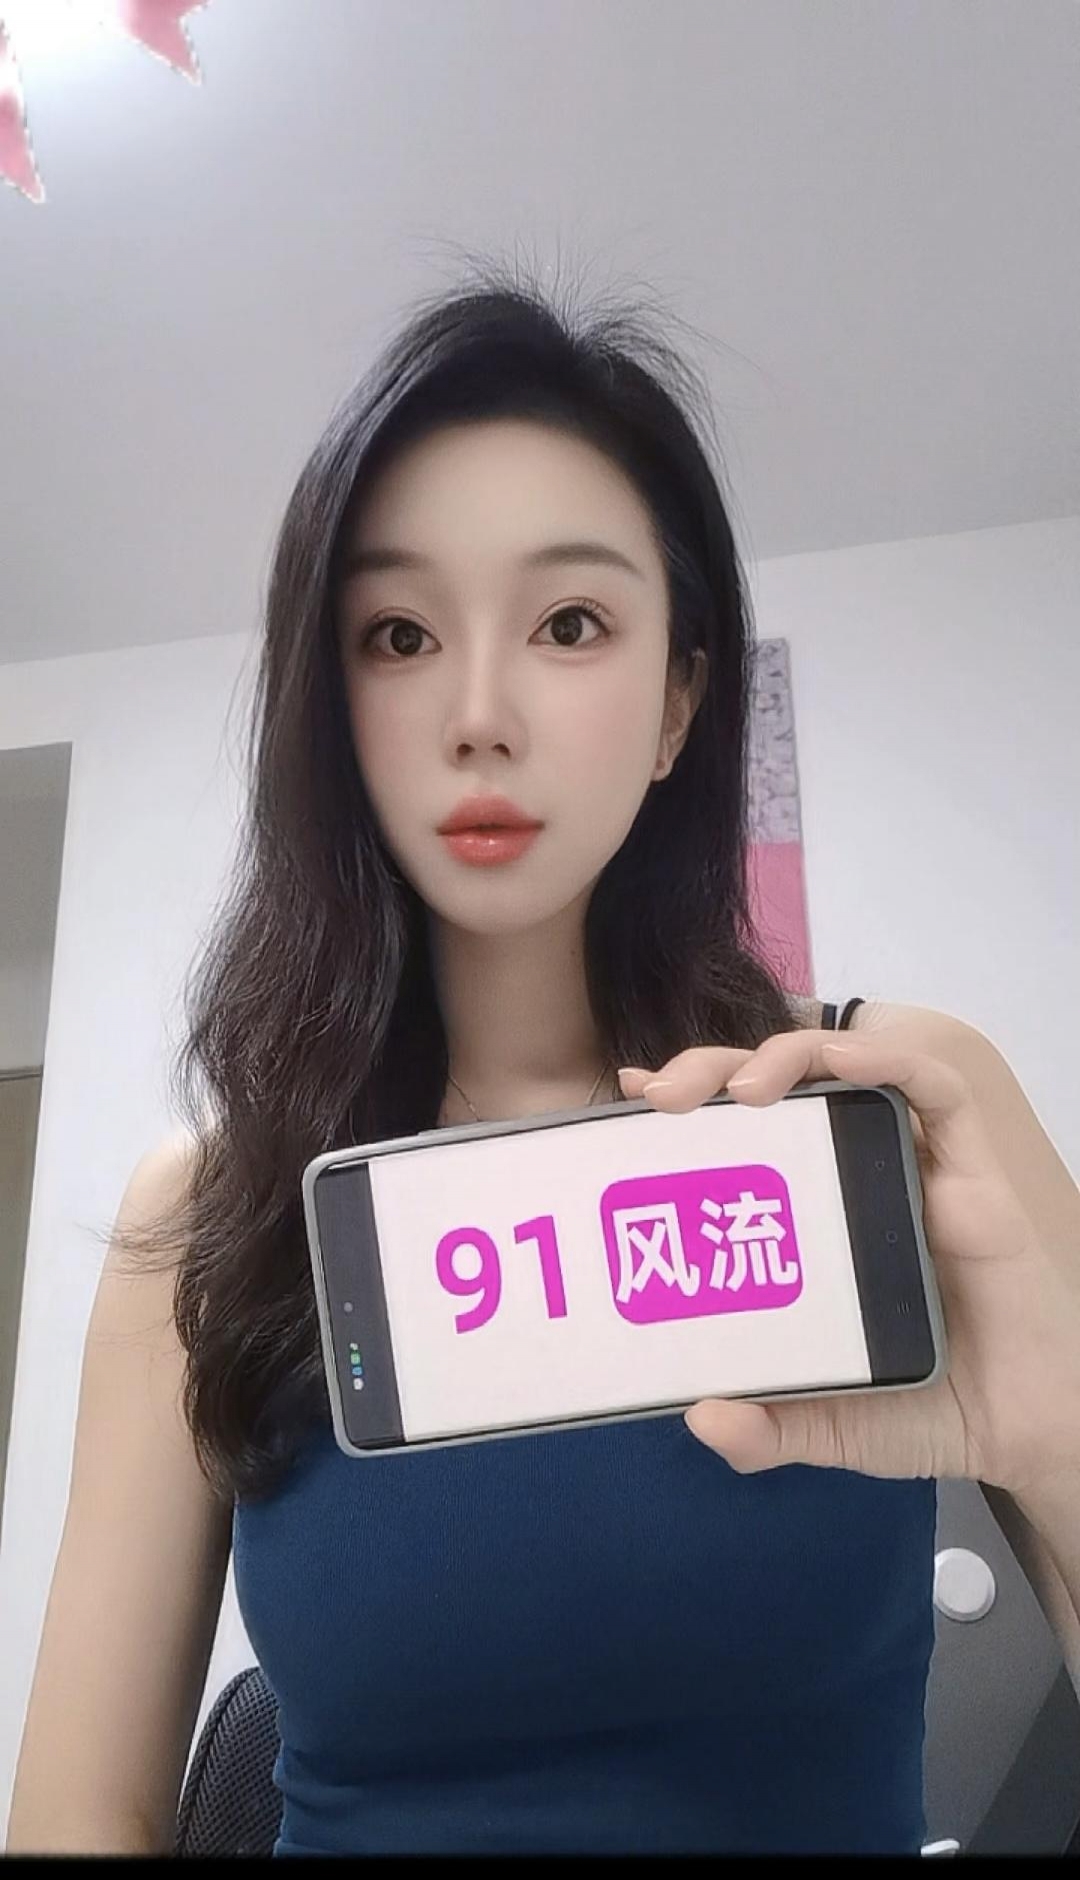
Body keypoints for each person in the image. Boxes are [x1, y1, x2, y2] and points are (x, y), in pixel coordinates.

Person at [8, 261, 1080, 1858]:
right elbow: (77, 1816)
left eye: (570, 623)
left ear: (680, 699)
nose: (479, 714)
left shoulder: (900, 1117)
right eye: (397, 634)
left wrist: (1061, 1429)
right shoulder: (218, 1212)